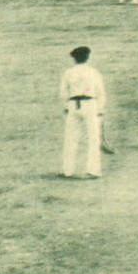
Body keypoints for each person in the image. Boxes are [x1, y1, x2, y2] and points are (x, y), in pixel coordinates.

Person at [58, 46, 108, 178]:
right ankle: (93, 170)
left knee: (71, 138)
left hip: (73, 104)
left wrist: (66, 107)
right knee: (93, 138)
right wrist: (100, 110)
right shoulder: (94, 72)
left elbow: (63, 93)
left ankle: (67, 170)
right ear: (87, 57)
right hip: (90, 104)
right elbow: (101, 93)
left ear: (74, 58)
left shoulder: (68, 73)